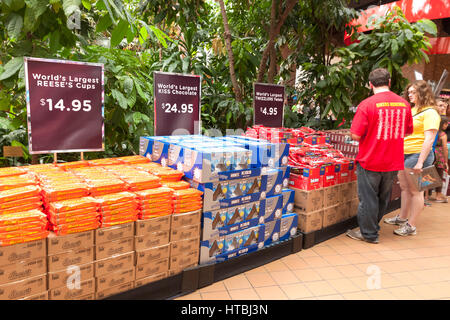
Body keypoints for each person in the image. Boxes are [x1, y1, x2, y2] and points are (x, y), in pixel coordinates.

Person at [346, 68, 413, 244]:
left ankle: (368, 234)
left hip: (370, 159)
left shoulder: (367, 105)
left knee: (368, 198)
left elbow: (356, 135)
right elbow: (406, 132)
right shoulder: (404, 104)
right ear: (389, 82)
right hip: (393, 160)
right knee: (383, 197)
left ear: (370, 84)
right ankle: (372, 228)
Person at [384, 80, 441, 236]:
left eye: (413, 92)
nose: (409, 95)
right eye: (408, 92)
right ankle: (402, 218)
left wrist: (420, 161)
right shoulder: (412, 109)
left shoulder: (430, 112)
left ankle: (411, 225)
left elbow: (429, 139)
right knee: (404, 187)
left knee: (416, 191)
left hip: (418, 155)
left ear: (422, 93)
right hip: (404, 153)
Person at [429, 115, 449, 203]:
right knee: (439, 175)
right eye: (446, 123)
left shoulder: (434, 132)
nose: (447, 125)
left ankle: (426, 195)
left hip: (431, 153)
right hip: (440, 155)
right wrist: (446, 161)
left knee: (429, 174)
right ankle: (438, 195)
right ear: (443, 124)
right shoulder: (443, 135)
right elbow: (445, 148)